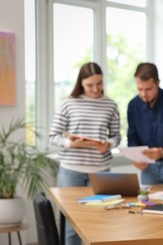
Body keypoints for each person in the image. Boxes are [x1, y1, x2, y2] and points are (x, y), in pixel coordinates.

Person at [49, 62, 121, 245]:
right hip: (71, 171)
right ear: (81, 83)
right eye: (90, 85)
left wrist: (109, 144)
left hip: (101, 171)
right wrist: (70, 143)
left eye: (99, 83)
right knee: (72, 225)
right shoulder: (68, 103)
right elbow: (53, 136)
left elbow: (116, 136)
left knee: (100, 222)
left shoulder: (110, 105)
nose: (96, 89)